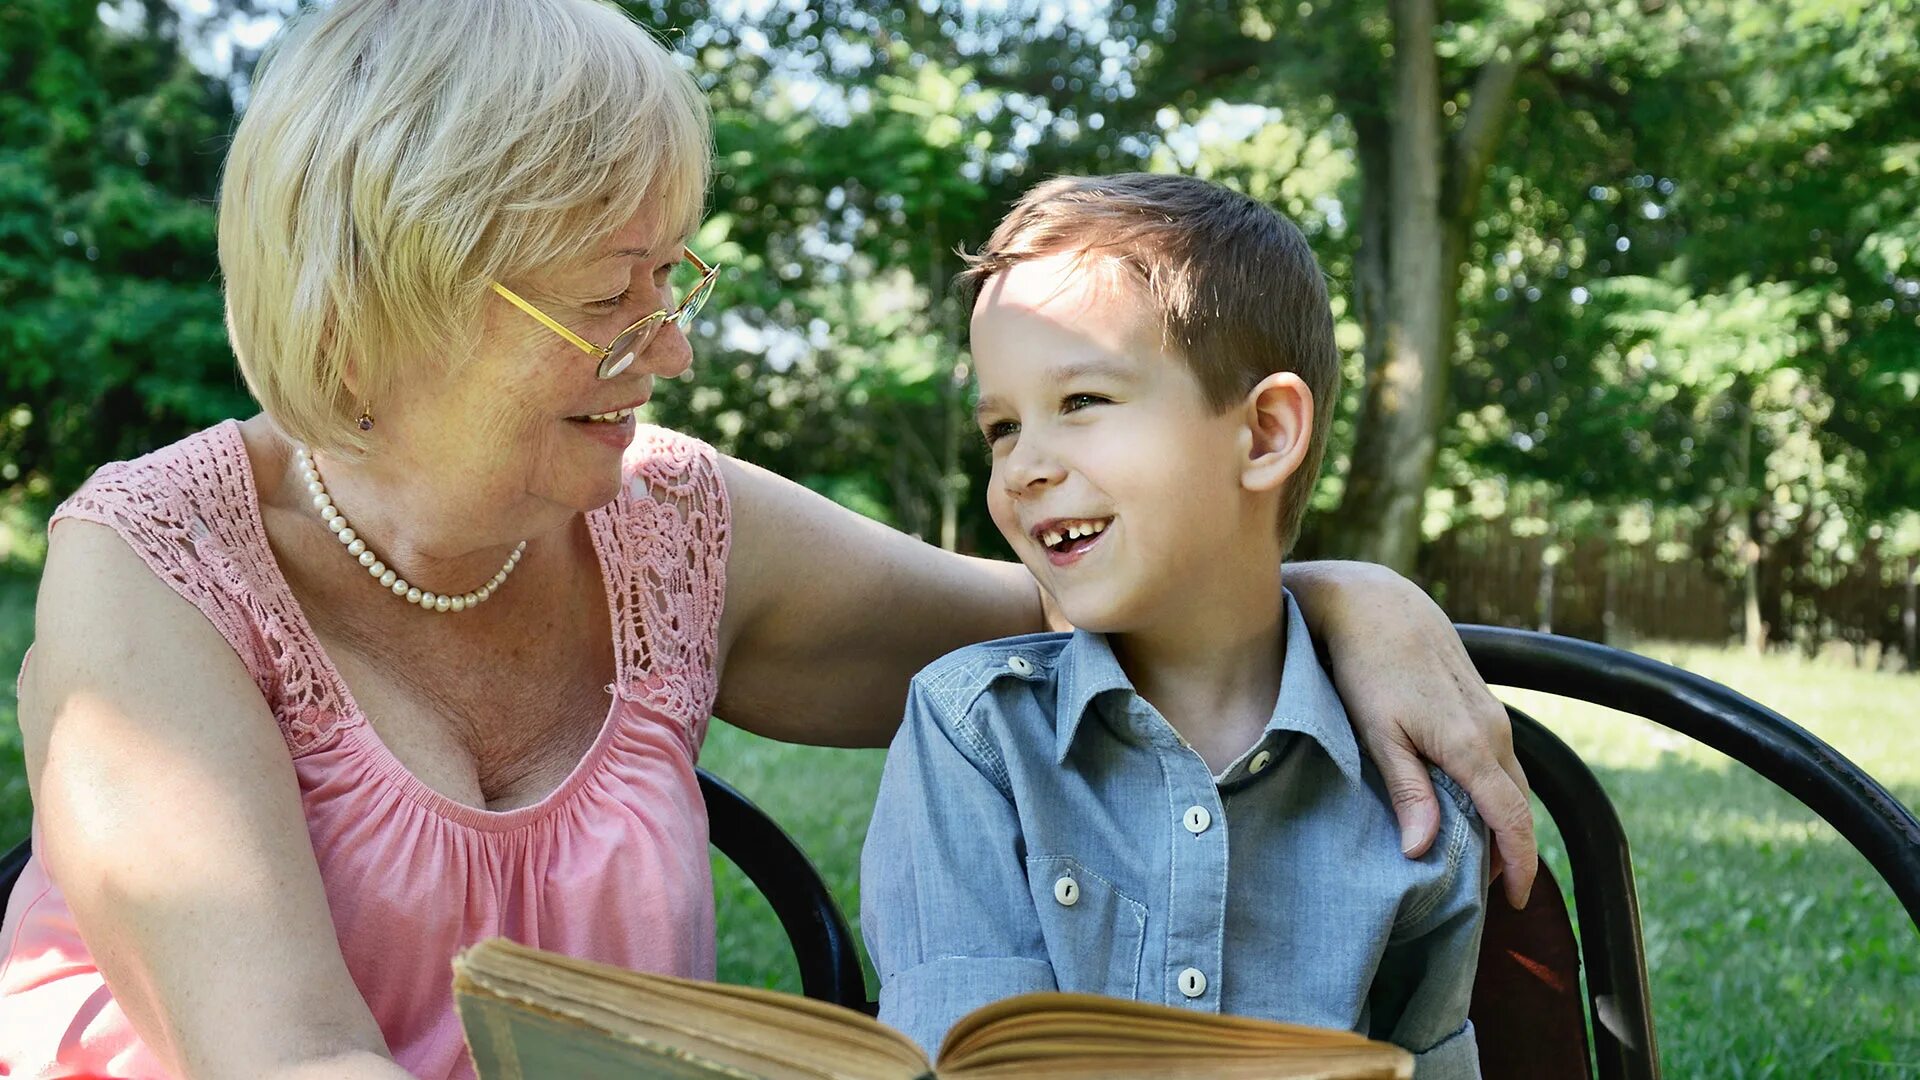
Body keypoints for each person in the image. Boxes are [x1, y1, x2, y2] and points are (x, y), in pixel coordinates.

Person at [0, 3, 1530, 1078]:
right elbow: (290, 1064)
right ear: (383, 302)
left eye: (678, 280)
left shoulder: (663, 520)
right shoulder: (151, 566)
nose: (671, 352)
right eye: (612, 299)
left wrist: (1339, 592)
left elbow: (1092, 603)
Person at [861, 174, 1490, 1075]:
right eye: (1001, 426)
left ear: (1266, 433)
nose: (1024, 467)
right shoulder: (977, 736)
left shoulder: (1415, 792)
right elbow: (960, 1056)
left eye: (1080, 402)